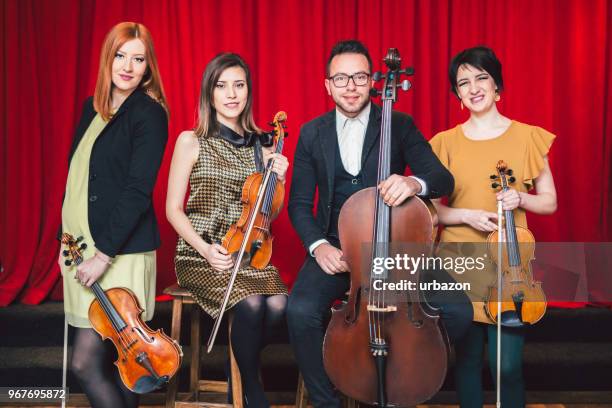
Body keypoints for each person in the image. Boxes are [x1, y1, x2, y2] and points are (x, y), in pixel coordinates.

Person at [287, 39, 472, 408]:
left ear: (373, 80)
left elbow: (443, 178)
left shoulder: (399, 124)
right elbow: (299, 204)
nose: (351, 86)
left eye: (358, 76)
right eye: (341, 78)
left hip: (396, 248)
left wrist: (413, 183)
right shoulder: (311, 133)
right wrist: (318, 246)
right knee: (300, 311)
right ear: (327, 85)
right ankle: (328, 400)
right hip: (338, 250)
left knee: (458, 311)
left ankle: (405, 376)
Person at [429, 46, 558, 407]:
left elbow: (549, 201)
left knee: (507, 366)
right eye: (463, 82)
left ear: (497, 83)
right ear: (457, 94)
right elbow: (431, 211)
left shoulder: (528, 137)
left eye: (481, 77)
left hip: (511, 267)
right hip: (461, 261)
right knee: (467, 362)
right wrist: (467, 215)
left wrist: (522, 198)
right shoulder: (444, 143)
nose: (473, 87)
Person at [166, 53, 289, 408]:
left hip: (246, 254)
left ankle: (241, 358)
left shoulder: (261, 145)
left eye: (239, 85)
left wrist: (276, 177)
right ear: (210, 92)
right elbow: (172, 209)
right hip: (200, 254)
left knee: (280, 306)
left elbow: (265, 214)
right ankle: (251, 391)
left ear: (248, 91)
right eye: (222, 86)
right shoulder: (191, 140)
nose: (231, 94)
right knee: (251, 305)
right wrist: (205, 249)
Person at [58, 22, 168, 408]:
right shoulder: (93, 108)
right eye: (121, 56)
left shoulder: (149, 114)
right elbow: (81, 177)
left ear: (147, 66)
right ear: (108, 59)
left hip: (117, 254)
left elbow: (138, 191)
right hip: (82, 252)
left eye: (138, 59)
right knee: (120, 365)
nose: (128, 66)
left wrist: (103, 255)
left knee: (98, 362)